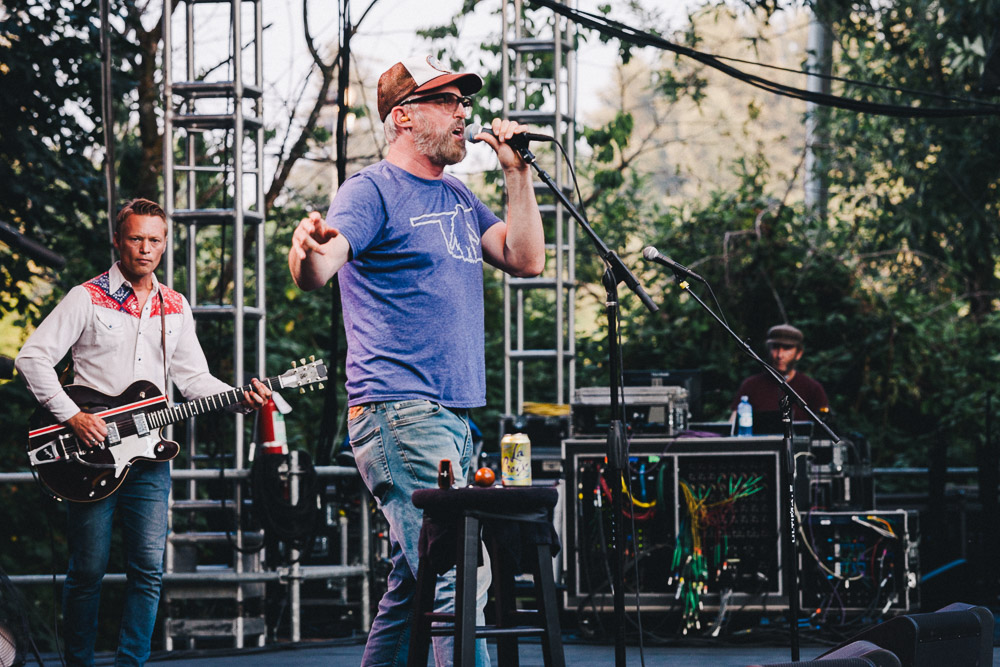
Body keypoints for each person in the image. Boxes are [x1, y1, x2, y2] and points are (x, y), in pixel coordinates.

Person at [288, 55, 544, 666]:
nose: (464, 112)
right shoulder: (371, 189)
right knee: (462, 575)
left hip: (450, 417)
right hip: (400, 410)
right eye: (447, 101)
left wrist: (517, 174)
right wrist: (307, 254)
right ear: (403, 117)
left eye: (463, 101)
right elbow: (324, 263)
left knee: (415, 583)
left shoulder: (456, 193)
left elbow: (524, 258)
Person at [15, 198, 271, 667]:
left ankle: (130, 663)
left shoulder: (175, 305)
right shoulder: (86, 297)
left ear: (165, 243)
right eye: (136, 238)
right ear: (118, 240)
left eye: (155, 240)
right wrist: (72, 415)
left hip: (150, 458)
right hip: (88, 453)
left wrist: (239, 397)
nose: (145, 248)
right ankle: (78, 663)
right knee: (88, 570)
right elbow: (31, 358)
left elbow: (194, 380)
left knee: (148, 570)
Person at [729, 323, 829, 427]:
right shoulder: (750, 385)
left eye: (787, 348)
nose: (780, 355)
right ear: (768, 349)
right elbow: (733, 426)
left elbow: (823, 431)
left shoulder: (812, 388)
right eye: (775, 347)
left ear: (799, 353)